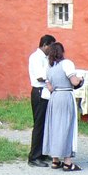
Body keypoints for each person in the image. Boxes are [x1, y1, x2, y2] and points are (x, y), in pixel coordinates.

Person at [43, 42, 84, 171]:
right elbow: (74, 81)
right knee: (67, 127)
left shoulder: (50, 67)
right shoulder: (67, 64)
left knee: (55, 126)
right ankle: (67, 162)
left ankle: (55, 160)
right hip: (65, 96)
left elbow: (49, 87)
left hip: (54, 97)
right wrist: (81, 79)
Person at [27, 34, 55, 167]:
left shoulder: (46, 58)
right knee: (39, 125)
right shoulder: (35, 57)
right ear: (45, 45)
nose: (52, 49)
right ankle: (34, 157)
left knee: (46, 124)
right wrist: (52, 79)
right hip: (39, 92)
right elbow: (40, 77)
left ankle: (43, 153)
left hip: (46, 92)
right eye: (51, 46)